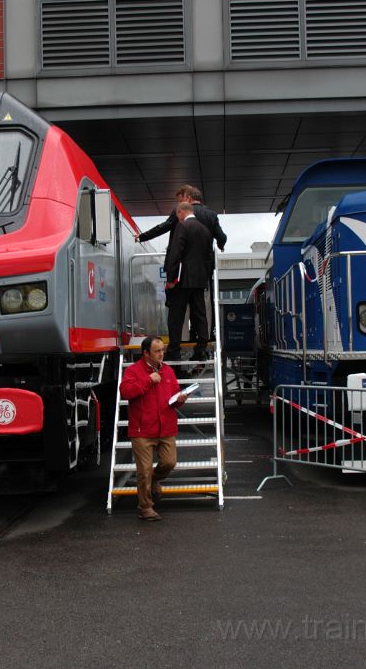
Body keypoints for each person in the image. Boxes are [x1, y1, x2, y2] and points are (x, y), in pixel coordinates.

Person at [119, 336, 188, 520]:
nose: (161, 354)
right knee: (143, 471)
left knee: (169, 462)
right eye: (157, 351)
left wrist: (180, 400)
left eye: (162, 351)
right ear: (146, 353)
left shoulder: (168, 371)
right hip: (142, 430)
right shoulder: (133, 371)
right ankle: (145, 507)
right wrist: (149, 380)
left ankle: (155, 478)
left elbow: (173, 397)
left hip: (166, 428)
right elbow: (125, 392)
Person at [164, 202, 213, 362]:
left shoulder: (182, 227)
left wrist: (171, 278)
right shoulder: (205, 231)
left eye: (178, 215)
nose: (177, 218)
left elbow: (175, 253)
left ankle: (175, 350)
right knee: (200, 315)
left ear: (181, 212)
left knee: (176, 315)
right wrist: (205, 278)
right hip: (199, 281)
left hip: (182, 280)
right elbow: (209, 259)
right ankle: (201, 348)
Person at [135, 185, 228, 252]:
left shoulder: (180, 212)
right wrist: (221, 247)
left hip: (182, 264)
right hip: (205, 265)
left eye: (180, 201)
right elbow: (222, 237)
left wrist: (142, 237)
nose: (179, 204)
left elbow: (163, 228)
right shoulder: (211, 215)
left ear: (188, 198)